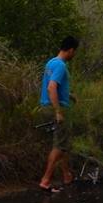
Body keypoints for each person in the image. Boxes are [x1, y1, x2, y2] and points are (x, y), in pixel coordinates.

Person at [38, 36, 79, 191]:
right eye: (74, 52)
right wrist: (58, 112)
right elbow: (51, 88)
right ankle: (46, 180)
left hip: (47, 106)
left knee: (63, 144)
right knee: (60, 146)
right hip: (55, 108)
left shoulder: (51, 62)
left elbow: (55, 87)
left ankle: (67, 175)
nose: (74, 55)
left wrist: (69, 95)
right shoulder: (61, 65)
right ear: (71, 50)